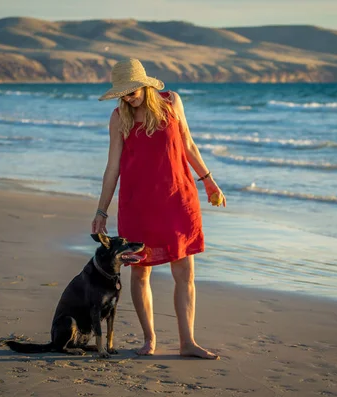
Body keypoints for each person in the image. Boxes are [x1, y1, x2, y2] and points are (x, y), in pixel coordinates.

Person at [91, 58, 225, 359]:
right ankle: (149, 339)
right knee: (140, 274)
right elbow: (112, 168)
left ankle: (187, 342)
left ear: (145, 84)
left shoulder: (171, 102)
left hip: (178, 199)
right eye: (122, 93)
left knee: (185, 272)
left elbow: (188, 144)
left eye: (132, 90)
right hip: (137, 205)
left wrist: (209, 181)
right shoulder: (118, 118)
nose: (128, 97)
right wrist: (101, 211)